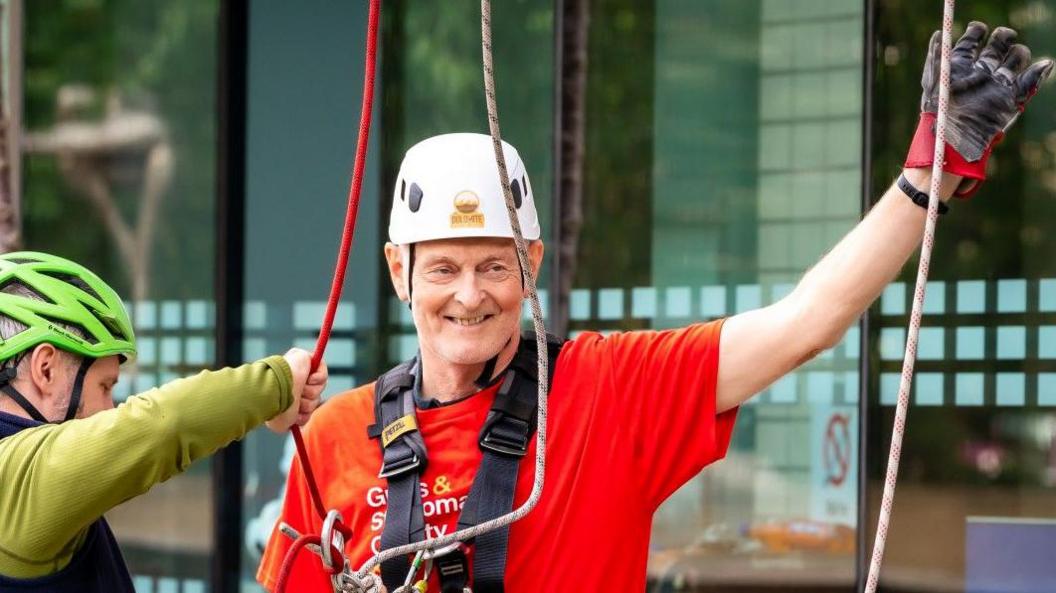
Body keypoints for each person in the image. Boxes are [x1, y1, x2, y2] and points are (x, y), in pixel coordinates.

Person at [258, 22, 1052, 593]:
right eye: (444, 269)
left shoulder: (607, 391)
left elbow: (806, 320)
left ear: (531, 266)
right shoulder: (334, 439)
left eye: (494, 265)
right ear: (399, 271)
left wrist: (930, 170)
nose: (470, 295)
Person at [0, 251, 329, 592]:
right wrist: (278, 384)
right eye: (105, 386)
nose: (110, 409)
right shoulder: (14, 481)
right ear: (45, 369)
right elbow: (162, 425)